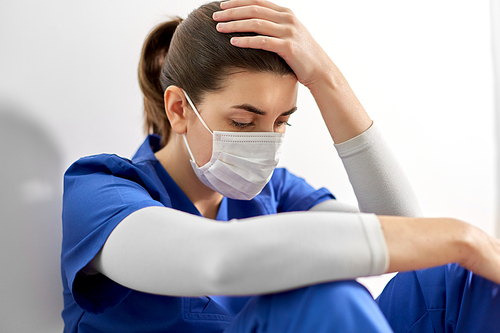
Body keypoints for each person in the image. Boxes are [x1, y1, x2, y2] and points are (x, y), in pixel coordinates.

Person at [61, 0, 500, 332]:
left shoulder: (274, 194)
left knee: (459, 280)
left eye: (281, 122)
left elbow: (408, 238)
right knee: (329, 298)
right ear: (178, 109)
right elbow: (218, 261)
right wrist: (462, 237)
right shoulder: (102, 192)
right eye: (242, 122)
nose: (266, 144)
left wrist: (324, 76)